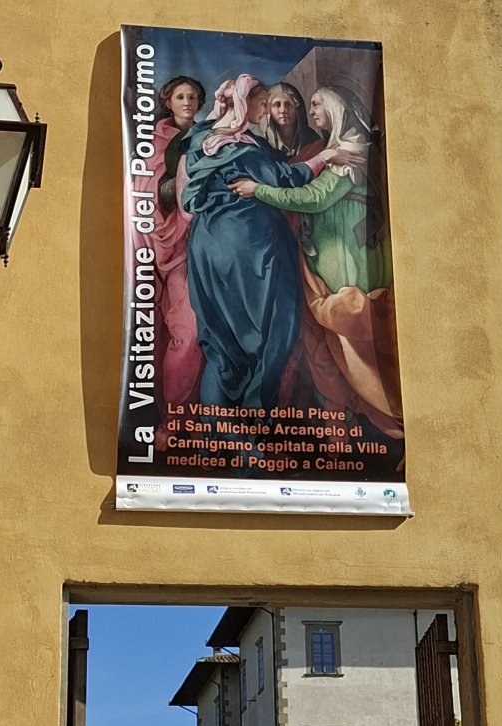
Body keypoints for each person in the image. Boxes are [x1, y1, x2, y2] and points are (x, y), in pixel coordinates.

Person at [229, 86, 403, 439]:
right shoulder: (339, 148)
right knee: (331, 345)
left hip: (346, 263)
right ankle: (344, 420)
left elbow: (314, 197)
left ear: (336, 108)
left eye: (315, 104)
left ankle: (381, 419)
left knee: (353, 342)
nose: (310, 112)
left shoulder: (352, 149)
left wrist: (257, 190)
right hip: (329, 261)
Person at [177, 75, 350, 413]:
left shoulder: (202, 138)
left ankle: (219, 425)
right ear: (244, 103)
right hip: (250, 247)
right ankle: (253, 422)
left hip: (208, 247)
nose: (266, 110)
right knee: (271, 331)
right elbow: (287, 178)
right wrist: (328, 155)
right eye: (262, 102)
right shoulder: (240, 148)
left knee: (223, 343)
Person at [132, 76, 206, 450]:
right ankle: (174, 419)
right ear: (167, 101)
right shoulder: (154, 144)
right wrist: (177, 200)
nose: (187, 102)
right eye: (181, 96)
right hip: (175, 250)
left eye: (193, 96)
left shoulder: (210, 138)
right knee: (186, 334)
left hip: (212, 247)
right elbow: (144, 193)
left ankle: (202, 419)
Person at [260, 81, 322, 161]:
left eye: (288, 104)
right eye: (277, 105)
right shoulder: (260, 142)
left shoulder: (313, 140)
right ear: (269, 110)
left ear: (297, 109)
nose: (283, 110)